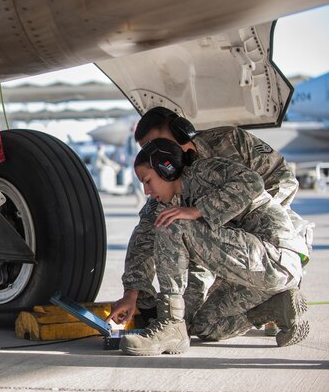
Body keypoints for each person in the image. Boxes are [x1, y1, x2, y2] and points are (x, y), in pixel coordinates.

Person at [118, 106, 311, 335]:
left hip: (268, 240)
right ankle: (273, 307)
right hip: (220, 245)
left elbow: (279, 180)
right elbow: (145, 237)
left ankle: (275, 287)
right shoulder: (168, 189)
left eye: (158, 144)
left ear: (180, 133)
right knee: (202, 325)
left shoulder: (228, 142)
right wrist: (132, 293)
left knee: (280, 237)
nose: (159, 156)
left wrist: (218, 214)